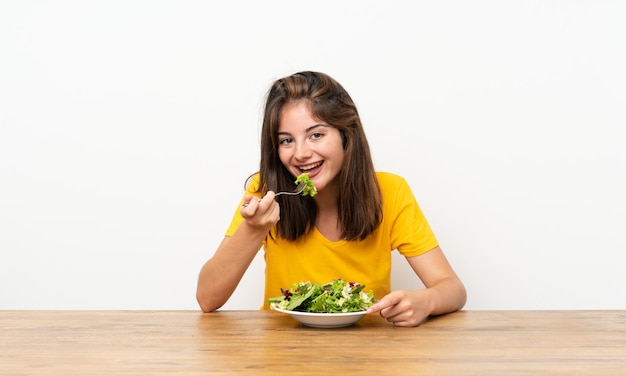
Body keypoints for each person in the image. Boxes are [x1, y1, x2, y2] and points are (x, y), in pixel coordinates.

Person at [196, 71, 466, 327]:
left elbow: (452, 288)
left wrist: (426, 301)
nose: (300, 153)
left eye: (316, 135)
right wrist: (253, 229)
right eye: (286, 140)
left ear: (346, 136)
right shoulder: (266, 191)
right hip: (281, 351)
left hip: (369, 351)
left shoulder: (390, 191)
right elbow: (207, 298)